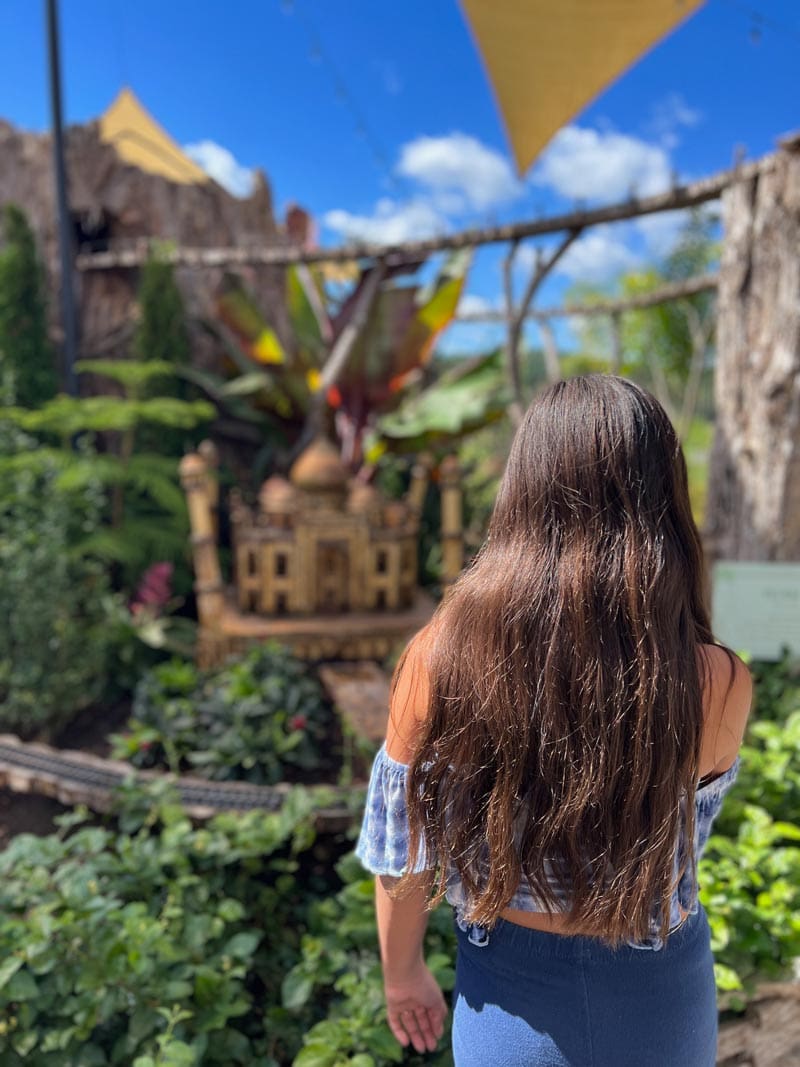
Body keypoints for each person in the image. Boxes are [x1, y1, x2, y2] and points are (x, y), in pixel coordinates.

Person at [356, 375, 752, 1067]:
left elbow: (404, 854)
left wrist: (402, 975)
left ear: (520, 491)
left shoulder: (437, 661)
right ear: (662, 499)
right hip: (661, 993)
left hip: (509, 998)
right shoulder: (716, 681)